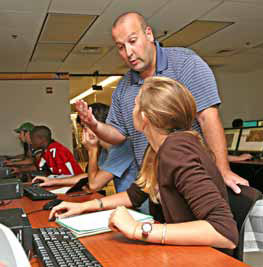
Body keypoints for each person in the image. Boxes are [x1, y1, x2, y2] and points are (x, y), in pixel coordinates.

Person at [51, 77, 238, 251]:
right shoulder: (157, 149)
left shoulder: (176, 149)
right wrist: (83, 207)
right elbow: (135, 195)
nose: (131, 111)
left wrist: (138, 229)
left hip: (204, 257)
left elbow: (224, 232)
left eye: (134, 106)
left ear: (144, 117)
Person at [75, 11, 248, 194]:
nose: (128, 53)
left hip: (192, 178)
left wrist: (223, 170)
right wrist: (93, 124)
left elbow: (208, 118)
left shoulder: (185, 63)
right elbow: (118, 134)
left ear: (148, 34)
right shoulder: (123, 87)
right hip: (154, 186)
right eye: (120, 47)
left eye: (132, 41)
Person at [33, 103, 137, 194]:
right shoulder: (106, 149)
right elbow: (90, 176)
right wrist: (52, 181)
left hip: (139, 210)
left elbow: (94, 185)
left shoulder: (123, 147)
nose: (83, 132)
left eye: (85, 127)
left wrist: (92, 150)